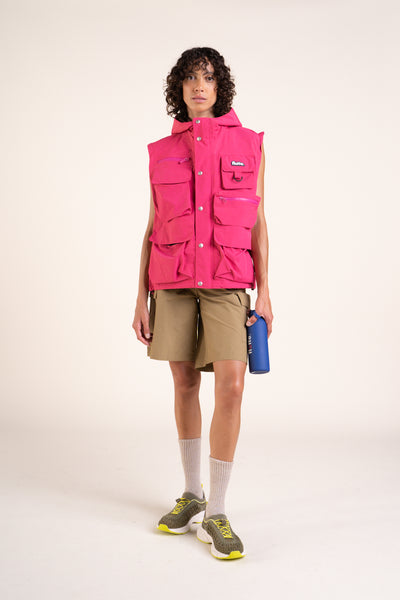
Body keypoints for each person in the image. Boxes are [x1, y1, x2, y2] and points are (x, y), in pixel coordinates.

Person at [132, 47, 273, 560]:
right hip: (171, 282)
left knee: (232, 385)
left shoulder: (249, 143)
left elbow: (258, 221)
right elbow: (152, 226)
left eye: (208, 78)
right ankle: (192, 494)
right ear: (179, 87)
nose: (198, 86)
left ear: (219, 87)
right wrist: (140, 297)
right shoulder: (160, 151)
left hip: (228, 280)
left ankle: (217, 511)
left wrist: (266, 292)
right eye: (190, 78)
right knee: (185, 382)